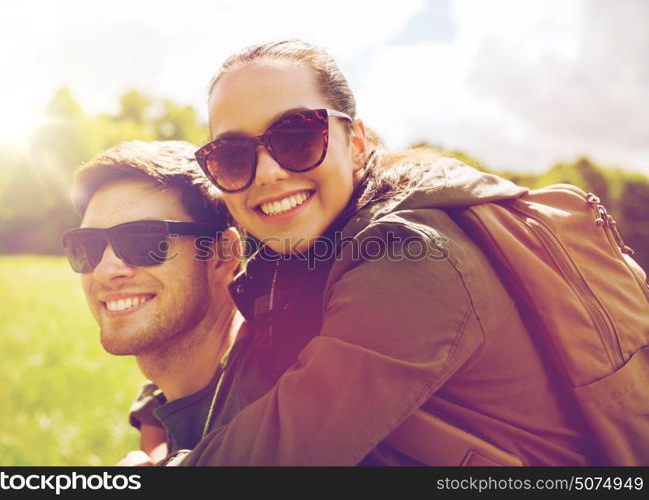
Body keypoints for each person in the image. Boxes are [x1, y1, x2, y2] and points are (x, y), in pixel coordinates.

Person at [163, 40, 597, 466]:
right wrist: (154, 411)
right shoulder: (304, 257)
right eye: (233, 156)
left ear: (355, 145)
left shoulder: (416, 257)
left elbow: (284, 450)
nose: (269, 173)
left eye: (297, 137)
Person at [64, 140, 244, 464]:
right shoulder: (160, 402)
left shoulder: (282, 407)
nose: (105, 270)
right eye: (87, 246)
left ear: (223, 255)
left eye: (144, 240)